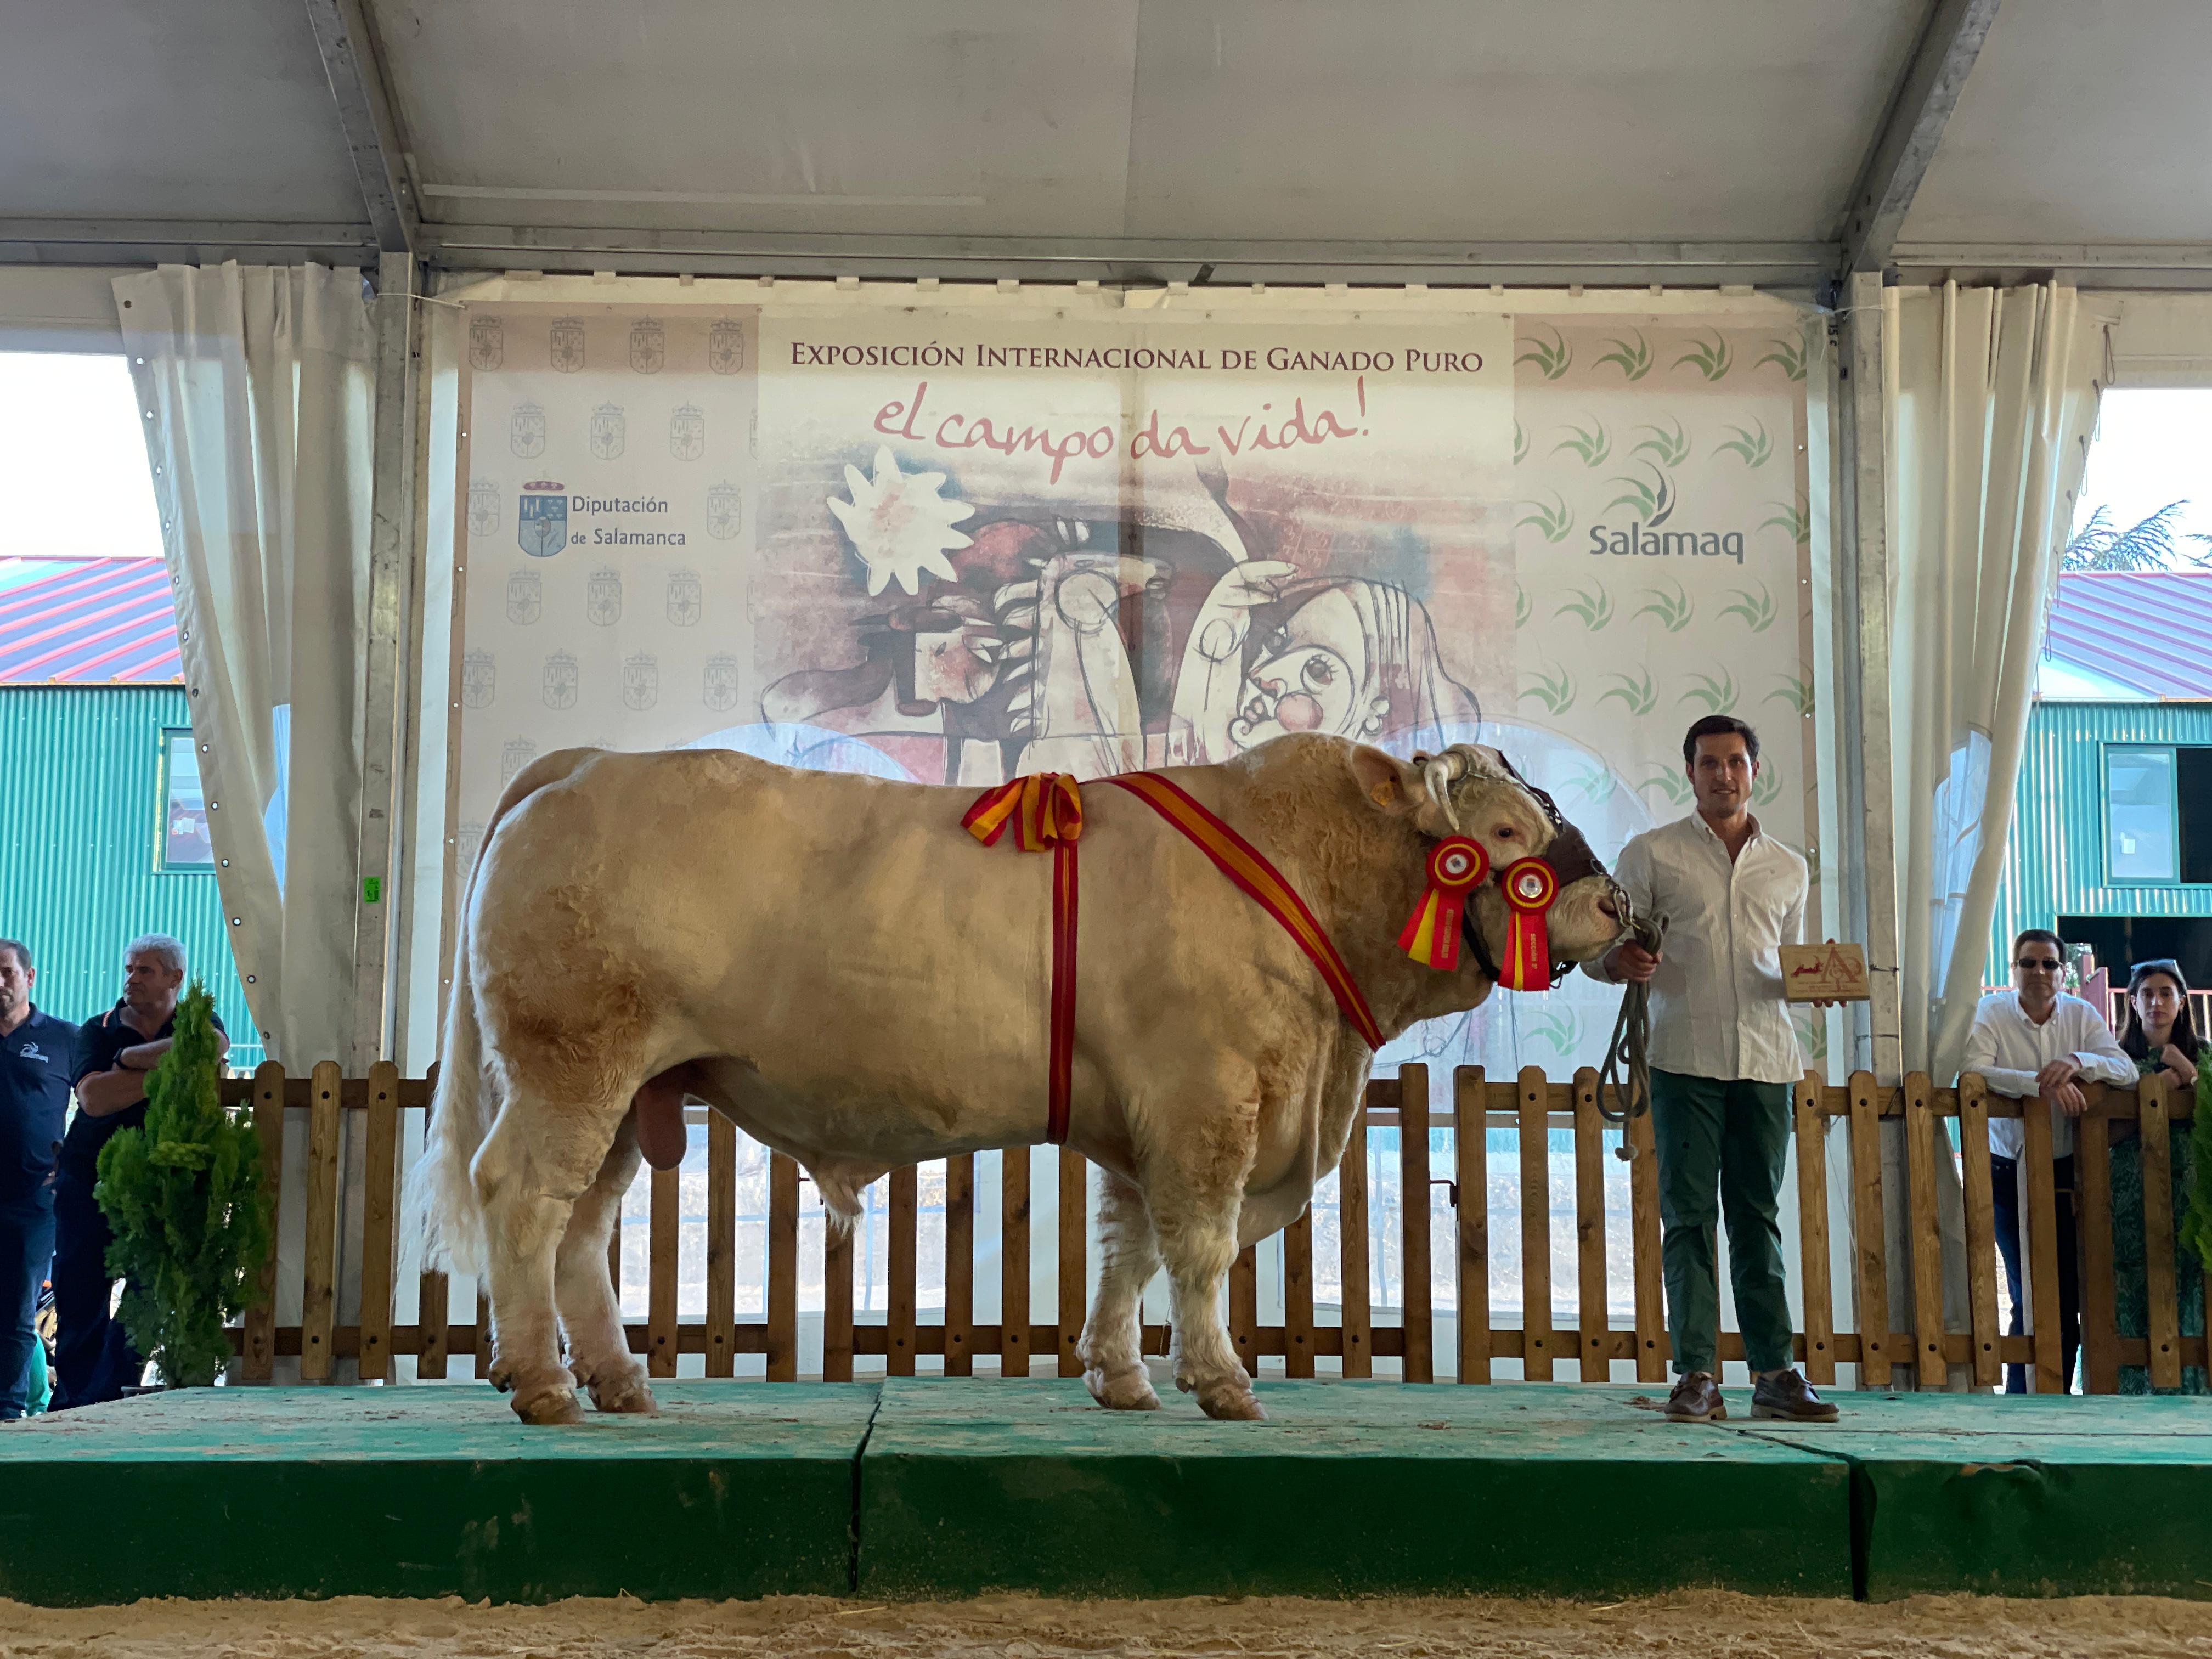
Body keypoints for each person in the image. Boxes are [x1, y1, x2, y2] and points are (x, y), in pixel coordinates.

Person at [1595, 715, 1835, 1423]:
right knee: (1689, 1219)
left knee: (1758, 1218)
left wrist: (1823, 979)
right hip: (1683, 1061)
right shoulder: (1651, 855)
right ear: (1690, 772)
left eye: (1734, 762)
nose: (1722, 775)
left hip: (1766, 1060)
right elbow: (1600, 945)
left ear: (1754, 771)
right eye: (1708, 763)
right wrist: (1616, 963)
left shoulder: (1790, 867)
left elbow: (1793, 963)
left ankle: (1774, 1373)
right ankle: (1696, 1374)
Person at [53, 935, 225, 1407]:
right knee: (80, 1290)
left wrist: (128, 1062)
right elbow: (94, 1099)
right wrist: (172, 1072)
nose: (132, 978)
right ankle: (71, 1406)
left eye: (146, 971)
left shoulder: (197, 1020)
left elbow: (211, 1045)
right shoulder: (98, 1028)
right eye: (129, 969)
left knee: (148, 1292)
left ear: (175, 978)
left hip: (165, 1183)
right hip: (90, 1178)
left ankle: (110, 1396)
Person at [1962, 929, 2135, 1393]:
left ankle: (2055, 1397)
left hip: (2068, 1173)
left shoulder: (2081, 1015)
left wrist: (2078, 1062)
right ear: (2013, 970)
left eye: (2049, 965)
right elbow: (1972, 1072)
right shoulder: (1991, 1013)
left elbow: (2128, 1069)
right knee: (2027, 1293)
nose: (2040, 972)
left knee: (2071, 1294)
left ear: (2063, 973)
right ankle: (2024, 1402)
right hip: (2007, 1170)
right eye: (2029, 963)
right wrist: (2038, 1084)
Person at [2110, 958, 2205, 1395]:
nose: (2157, 1002)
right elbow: (2104, 1129)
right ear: (2133, 1002)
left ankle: (2190, 1392)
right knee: (2130, 1287)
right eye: (2147, 993)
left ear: (2182, 1002)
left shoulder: (2203, 1052)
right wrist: (2163, 1086)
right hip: (2128, 1195)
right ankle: (2132, 1392)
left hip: (2192, 1193)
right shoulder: (2117, 1059)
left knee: (2189, 1286)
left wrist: (2193, 1076)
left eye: (2167, 993)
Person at [0, 938, 74, 1421]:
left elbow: (100, 1096)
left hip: (31, 1202)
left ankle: (7, 1415)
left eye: (7, 972)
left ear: (30, 978)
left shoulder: (65, 1038)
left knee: (15, 1315)